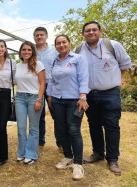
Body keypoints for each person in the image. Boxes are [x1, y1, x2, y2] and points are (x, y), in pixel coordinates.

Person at [78, 21, 131, 175]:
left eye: (94, 30)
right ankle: (98, 153)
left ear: (100, 31)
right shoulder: (79, 49)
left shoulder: (112, 45)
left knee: (112, 126)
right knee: (93, 125)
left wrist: (116, 81)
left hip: (110, 93)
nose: (91, 32)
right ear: (83, 34)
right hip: (89, 95)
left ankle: (113, 159)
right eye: (87, 31)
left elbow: (125, 65)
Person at [47, 35, 89, 181]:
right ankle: (68, 158)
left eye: (64, 42)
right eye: (58, 43)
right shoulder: (55, 61)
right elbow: (51, 81)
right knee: (61, 129)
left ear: (69, 43)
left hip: (75, 100)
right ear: (56, 46)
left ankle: (78, 163)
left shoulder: (78, 58)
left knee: (74, 130)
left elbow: (84, 78)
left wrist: (83, 97)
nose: (61, 45)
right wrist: (50, 96)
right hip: (58, 100)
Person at [14, 41, 45, 165]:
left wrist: (39, 99)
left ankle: (31, 154)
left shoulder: (38, 64)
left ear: (33, 51)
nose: (26, 52)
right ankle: (21, 153)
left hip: (34, 98)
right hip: (20, 98)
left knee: (33, 128)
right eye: (24, 50)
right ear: (20, 52)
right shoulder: (17, 65)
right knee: (21, 128)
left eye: (29, 50)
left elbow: (43, 83)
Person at [33, 27, 62, 152]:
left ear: (46, 36)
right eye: (37, 35)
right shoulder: (31, 50)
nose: (39, 37)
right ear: (34, 37)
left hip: (51, 86)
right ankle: (40, 142)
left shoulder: (54, 50)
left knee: (56, 114)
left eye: (41, 35)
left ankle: (61, 143)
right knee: (38, 115)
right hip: (35, 86)